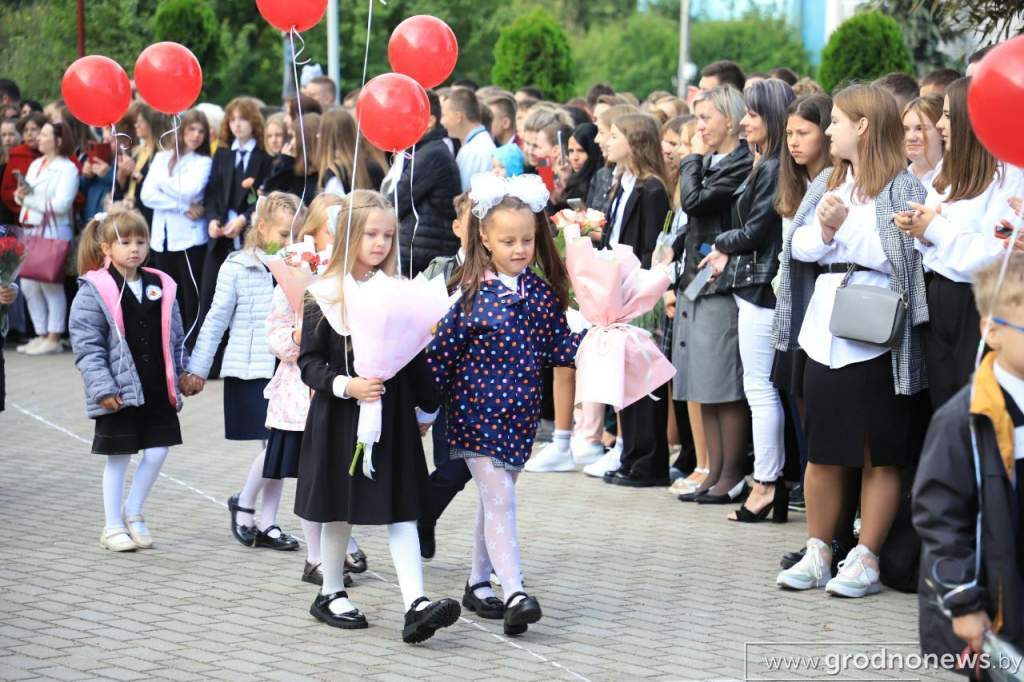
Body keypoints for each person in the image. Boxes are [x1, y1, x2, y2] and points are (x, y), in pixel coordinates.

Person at [774, 84, 930, 598]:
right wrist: (822, 233)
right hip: (825, 328)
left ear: (862, 125)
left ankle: (866, 557)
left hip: (877, 328)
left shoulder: (903, 186)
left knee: (876, 451)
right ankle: (820, 549)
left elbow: (904, 258)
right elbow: (796, 245)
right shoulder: (827, 180)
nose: (831, 129)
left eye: (837, 120)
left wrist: (845, 232)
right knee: (822, 447)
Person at [296, 189, 461, 642]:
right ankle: (330, 591)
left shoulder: (399, 293)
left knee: (403, 509)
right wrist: (346, 385)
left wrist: (427, 406)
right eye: (370, 234)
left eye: (388, 235)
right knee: (338, 511)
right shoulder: (324, 295)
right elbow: (309, 362)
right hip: (340, 419)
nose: (381, 243)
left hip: (392, 419)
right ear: (348, 235)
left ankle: (416, 604)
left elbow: (415, 360)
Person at [427, 172, 582, 636]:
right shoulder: (467, 294)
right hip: (474, 417)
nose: (520, 249)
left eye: (527, 240)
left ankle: (478, 583)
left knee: (495, 502)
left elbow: (560, 347)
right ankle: (513, 590)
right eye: (508, 241)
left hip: (519, 420)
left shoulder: (539, 293)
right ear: (485, 239)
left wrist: (601, 337)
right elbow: (440, 358)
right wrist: (423, 410)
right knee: (501, 497)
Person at [913, 254, 1024, 667]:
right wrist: (962, 602)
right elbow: (940, 519)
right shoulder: (962, 419)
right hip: (994, 600)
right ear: (992, 331)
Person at [69, 208, 196, 551]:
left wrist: (183, 372)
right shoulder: (95, 289)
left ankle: (134, 511)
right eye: (125, 242)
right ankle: (112, 526)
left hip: (157, 386)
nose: (135, 249)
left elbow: (176, 335)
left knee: (157, 452)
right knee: (119, 456)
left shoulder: (162, 284)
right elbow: (87, 345)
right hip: (119, 390)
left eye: (141, 241)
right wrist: (103, 389)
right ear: (106, 248)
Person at [894, 78, 1024, 410]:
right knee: (944, 406)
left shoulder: (1010, 176)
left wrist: (936, 229)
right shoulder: (948, 175)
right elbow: (936, 249)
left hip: (979, 304)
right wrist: (921, 230)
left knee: (980, 408)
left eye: (948, 116)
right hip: (941, 299)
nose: (939, 124)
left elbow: (997, 256)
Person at [698, 79, 796, 519]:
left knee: (760, 388)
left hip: (760, 286)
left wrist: (719, 240)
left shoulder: (774, 167)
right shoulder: (767, 163)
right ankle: (766, 480)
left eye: (753, 115)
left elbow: (757, 229)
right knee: (759, 387)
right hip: (751, 283)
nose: (744, 121)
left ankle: (767, 482)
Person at [187, 192, 303, 552]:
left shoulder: (301, 266)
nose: (290, 242)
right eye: (284, 234)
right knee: (272, 445)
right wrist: (197, 369)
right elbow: (215, 318)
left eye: (296, 234)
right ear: (262, 227)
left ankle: (267, 522)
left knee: (279, 446)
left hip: (284, 366)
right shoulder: (238, 265)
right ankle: (245, 506)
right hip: (251, 368)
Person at [671, 86, 754, 502]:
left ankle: (731, 473)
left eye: (706, 118)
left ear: (730, 119)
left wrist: (690, 157)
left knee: (724, 383)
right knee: (705, 382)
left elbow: (695, 202)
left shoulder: (740, 163)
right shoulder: (712, 161)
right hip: (697, 278)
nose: (699, 126)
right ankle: (715, 470)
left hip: (721, 280)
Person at [417, 192, 473, 561]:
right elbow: (414, 317)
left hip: (483, 385)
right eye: (474, 219)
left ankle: (422, 510)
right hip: (443, 383)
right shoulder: (440, 267)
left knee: (468, 466)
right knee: (450, 466)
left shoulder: (505, 272)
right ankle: (423, 511)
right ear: (457, 227)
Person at [199, 96, 274, 360]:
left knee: (248, 300)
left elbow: (266, 196)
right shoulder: (222, 154)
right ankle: (213, 359)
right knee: (210, 295)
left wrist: (243, 218)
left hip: (248, 233)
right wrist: (212, 219)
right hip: (219, 236)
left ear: (253, 122)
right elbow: (212, 193)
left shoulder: (265, 158)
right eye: (232, 120)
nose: (237, 125)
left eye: (242, 119)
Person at [139, 109, 213, 340]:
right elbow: (147, 196)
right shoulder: (162, 158)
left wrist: (161, 181)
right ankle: (172, 345)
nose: (196, 135)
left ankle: (193, 347)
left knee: (191, 297)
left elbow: (189, 190)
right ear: (182, 131)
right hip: (162, 238)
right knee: (168, 297)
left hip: (188, 240)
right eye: (191, 129)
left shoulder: (203, 162)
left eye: (201, 131)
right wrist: (182, 206)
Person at [13, 121, 79, 356]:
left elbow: (61, 205)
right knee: (30, 284)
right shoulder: (35, 164)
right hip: (30, 228)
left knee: (50, 284)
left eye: (45, 134)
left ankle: (54, 335)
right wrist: (20, 196)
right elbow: (26, 195)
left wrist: (28, 200)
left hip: (53, 232)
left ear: (59, 141)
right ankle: (40, 333)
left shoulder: (67, 168)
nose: (39, 138)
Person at [385, 90, 461, 278]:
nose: (399, 124)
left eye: (406, 118)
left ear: (429, 121)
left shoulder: (431, 154)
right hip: (423, 252)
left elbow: (396, 201)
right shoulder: (425, 150)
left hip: (426, 257)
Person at [116, 104, 168, 226]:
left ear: (152, 125)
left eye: (141, 122)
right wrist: (122, 173)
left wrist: (135, 174)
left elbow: (161, 188)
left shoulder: (161, 155)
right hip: (130, 210)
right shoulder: (136, 152)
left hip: (148, 214)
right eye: (136, 122)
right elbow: (122, 186)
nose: (136, 125)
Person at [316, 108, 385, 197]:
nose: (317, 135)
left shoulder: (335, 172)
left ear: (327, 136)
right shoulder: (374, 165)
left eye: (321, 131)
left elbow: (333, 208)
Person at [441, 89, 496, 191]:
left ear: (458, 117)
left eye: (444, 115)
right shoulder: (478, 144)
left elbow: (463, 196)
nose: (442, 121)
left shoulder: (473, 151)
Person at [263, 112, 320, 202]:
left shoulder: (320, 171)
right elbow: (269, 193)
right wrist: (285, 162)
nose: (292, 142)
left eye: (293, 136)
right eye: (269, 136)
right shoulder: (294, 166)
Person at [1, 112, 45, 221]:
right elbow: (6, 190)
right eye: (26, 130)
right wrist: (17, 196)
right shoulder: (17, 155)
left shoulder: (55, 154)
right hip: (23, 217)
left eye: (34, 129)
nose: (29, 134)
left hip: (51, 218)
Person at [902, 95, 944, 187]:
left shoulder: (959, 183)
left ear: (942, 130)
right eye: (906, 129)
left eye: (920, 128)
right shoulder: (891, 182)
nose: (910, 137)